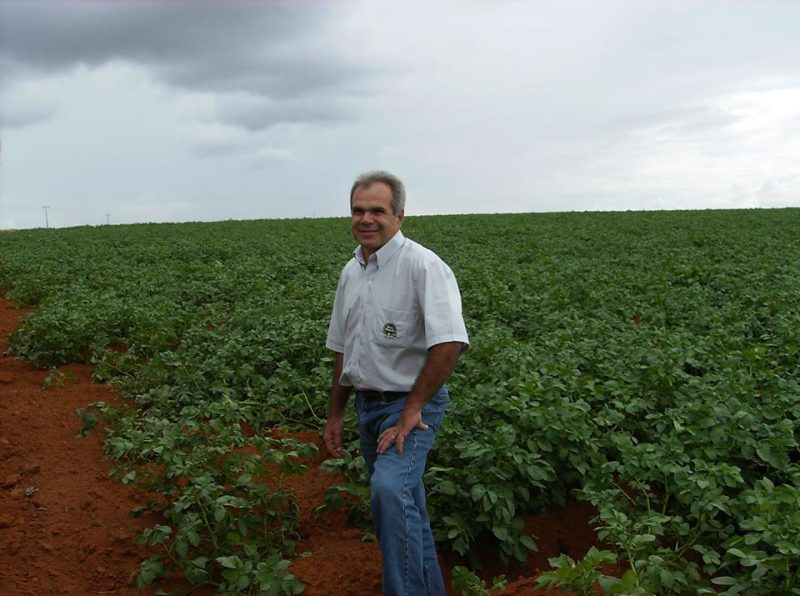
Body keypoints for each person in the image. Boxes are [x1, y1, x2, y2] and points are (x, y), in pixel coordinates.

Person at [323, 170, 469, 596]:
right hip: (366, 407)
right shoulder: (351, 273)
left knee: (389, 493)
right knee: (403, 509)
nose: (366, 219)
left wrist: (411, 410)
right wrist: (335, 413)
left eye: (377, 211)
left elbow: (449, 343)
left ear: (399, 216)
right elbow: (342, 349)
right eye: (358, 210)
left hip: (410, 408)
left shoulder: (423, 267)